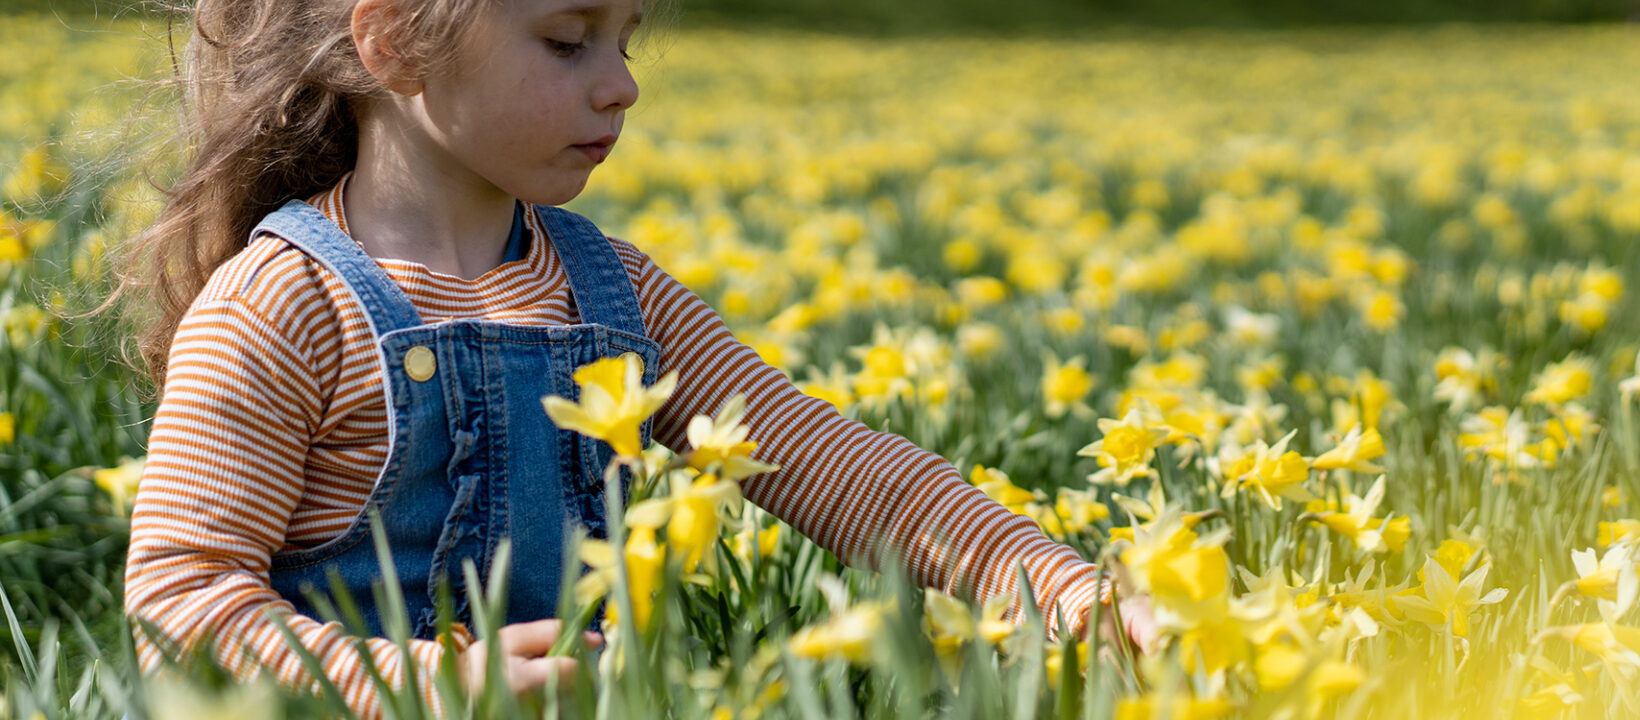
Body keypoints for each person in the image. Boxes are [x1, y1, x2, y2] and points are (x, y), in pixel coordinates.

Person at [112, 0, 1151, 717]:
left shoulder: (614, 292)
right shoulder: (279, 307)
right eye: (569, 40)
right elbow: (180, 599)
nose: (622, 86)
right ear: (396, 44)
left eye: (625, 37)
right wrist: (422, 686)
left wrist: (1065, 594)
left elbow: (840, 471)